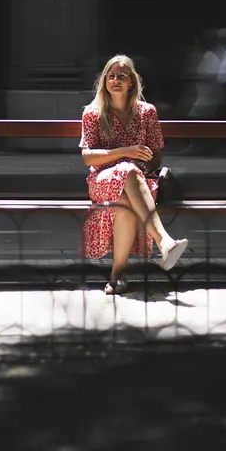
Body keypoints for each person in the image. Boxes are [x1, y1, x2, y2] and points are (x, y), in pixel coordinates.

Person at [79, 55, 189, 295]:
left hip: (139, 182)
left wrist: (145, 169)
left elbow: (157, 152)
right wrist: (125, 153)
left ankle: (117, 276)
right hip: (102, 179)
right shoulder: (93, 113)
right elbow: (88, 157)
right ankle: (164, 242)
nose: (115, 80)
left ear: (132, 82)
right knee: (127, 170)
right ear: (104, 81)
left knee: (126, 199)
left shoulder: (147, 112)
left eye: (122, 76)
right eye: (110, 75)